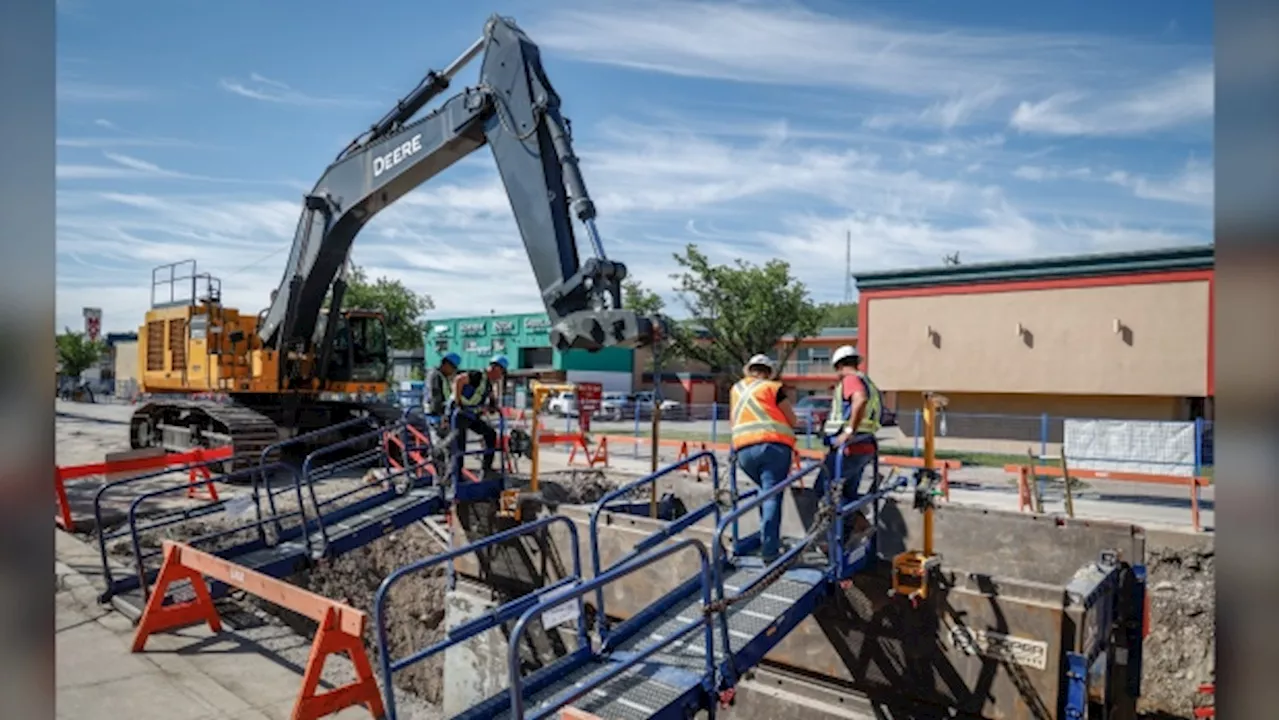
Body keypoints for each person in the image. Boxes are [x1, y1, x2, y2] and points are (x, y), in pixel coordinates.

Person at [729, 354, 798, 562]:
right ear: (769, 372)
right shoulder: (772, 388)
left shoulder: (736, 389)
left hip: (743, 452)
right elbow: (791, 419)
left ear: (749, 370)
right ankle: (770, 551)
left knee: (764, 494)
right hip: (772, 448)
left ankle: (766, 538)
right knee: (772, 496)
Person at [815, 344, 883, 542]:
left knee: (823, 488)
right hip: (865, 446)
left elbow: (859, 400)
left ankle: (859, 523)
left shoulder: (851, 379)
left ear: (839, 366)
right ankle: (842, 541)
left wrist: (848, 431)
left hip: (848, 449)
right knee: (848, 494)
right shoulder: (869, 382)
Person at [448, 355, 509, 477]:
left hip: (470, 415)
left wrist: (493, 405)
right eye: (501, 372)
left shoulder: (488, 383)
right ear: (495, 368)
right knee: (459, 444)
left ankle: (486, 469)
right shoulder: (478, 375)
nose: (500, 376)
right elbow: (458, 380)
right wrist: (458, 401)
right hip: (458, 414)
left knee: (490, 434)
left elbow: (490, 397)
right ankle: (456, 475)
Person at [424, 352, 461, 421]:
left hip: (442, 413)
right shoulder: (435, 375)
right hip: (434, 415)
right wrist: (442, 415)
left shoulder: (443, 377)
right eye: (453, 367)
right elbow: (435, 397)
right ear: (446, 364)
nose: (453, 371)